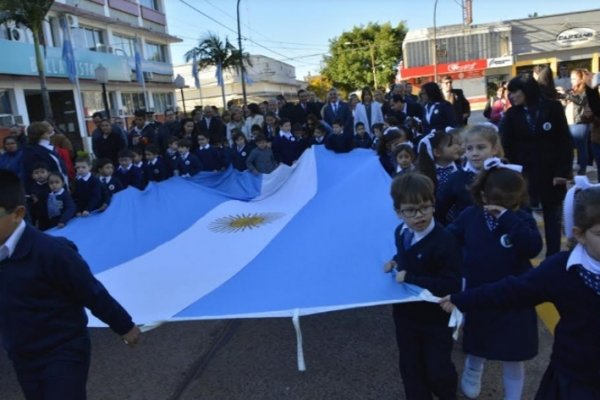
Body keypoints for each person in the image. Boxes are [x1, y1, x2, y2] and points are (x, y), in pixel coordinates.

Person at [440, 177, 600, 400]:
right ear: (579, 234)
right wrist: (461, 299)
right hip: (574, 378)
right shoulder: (561, 270)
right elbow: (512, 291)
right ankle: (473, 368)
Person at [0, 169, 140, 400]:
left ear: (18, 214)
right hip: (22, 354)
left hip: (62, 349)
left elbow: (90, 291)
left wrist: (124, 325)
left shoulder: (52, 252)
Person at [447, 159, 542, 399]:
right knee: (478, 342)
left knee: (513, 355)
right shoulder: (470, 215)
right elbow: (448, 240)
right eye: (498, 201)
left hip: (514, 297)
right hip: (480, 293)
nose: (503, 207)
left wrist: (508, 218)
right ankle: (472, 369)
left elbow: (532, 247)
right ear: (483, 195)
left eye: (510, 203)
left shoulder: (521, 219)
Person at [384, 172, 461, 400]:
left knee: (437, 369)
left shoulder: (445, 240)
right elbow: (406, 253)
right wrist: (395, 260)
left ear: (433, 205)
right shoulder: (401, 232)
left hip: (435, 319)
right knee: (410, 366)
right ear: (398, 212)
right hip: (406, 315)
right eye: (410, 210)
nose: (419, 215)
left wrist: (410, 278)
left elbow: (452, 283)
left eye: (425, 207)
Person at [500, 74, 572, 256]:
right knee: (524, 214)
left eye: (515, 92)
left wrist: (562, 172)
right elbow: (506, 145)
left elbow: (564, 141)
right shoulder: (511, 114)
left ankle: (553, 256)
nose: (511, 96)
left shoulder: (552, 108)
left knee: (553, 216)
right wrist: (512, 171)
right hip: (524, 175)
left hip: (551, 173)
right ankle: (528, 252)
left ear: (526, 90)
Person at [436, 124, 503, 225]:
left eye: (481, 147)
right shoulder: (457, 178)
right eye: (469, 148)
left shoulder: (506, 176)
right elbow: (439, 211)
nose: (474, 153)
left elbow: (522, 209)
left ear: (494, 149)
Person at [563, 68, 594, 176]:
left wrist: (567, 95)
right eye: (571, 78)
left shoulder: (585, 89)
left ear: (581, 79)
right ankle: (575, 169)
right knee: (569, 147)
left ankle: (582, 171)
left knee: (581, 147)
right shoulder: (573, 90)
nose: (571, 80)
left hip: (580, 122)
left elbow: (580, 101)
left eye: (574, 78)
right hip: (570, 121)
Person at [22, 121, 68, 191]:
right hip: (47, 191)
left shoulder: (49, 148)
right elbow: (35, 174)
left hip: (60, 187)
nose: (49, 134)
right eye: (47, 132)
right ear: (41, 135)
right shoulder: (32, 151)